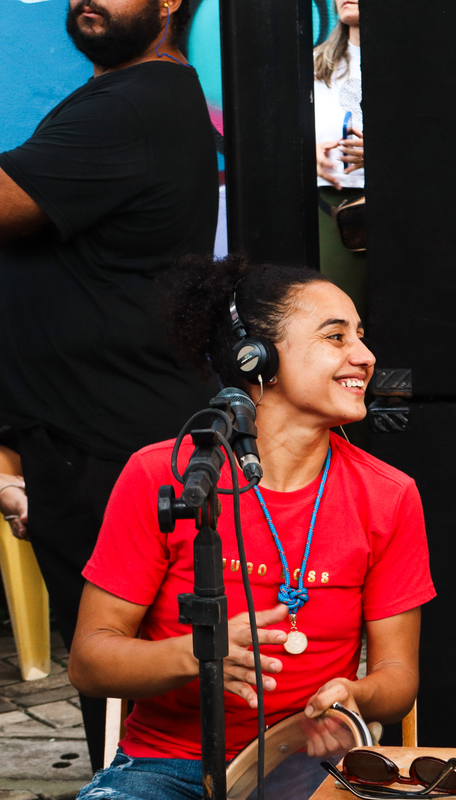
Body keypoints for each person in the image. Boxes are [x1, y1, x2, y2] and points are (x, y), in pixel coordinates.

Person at [69, 255, 434, 800]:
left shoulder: (389, 494)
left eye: (361, 336)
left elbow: (398, 677)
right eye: (336, 337)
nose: (365, 355)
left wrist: (357, 695)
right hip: (167, 767)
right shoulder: (164, 474)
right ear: (257, 357)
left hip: (308, 766)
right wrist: (199, 654)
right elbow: (90, 662)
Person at [0, 0, 217, 769]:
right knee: (121, 672)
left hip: (104, 439)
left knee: (124, 670)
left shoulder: (132, 104)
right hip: (94, 430)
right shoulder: (140, 94)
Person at [313, 0, 367, 316]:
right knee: (340, 317)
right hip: (333, 208)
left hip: (405, 207)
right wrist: (307, 152)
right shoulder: (313, 65)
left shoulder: (412, 61)